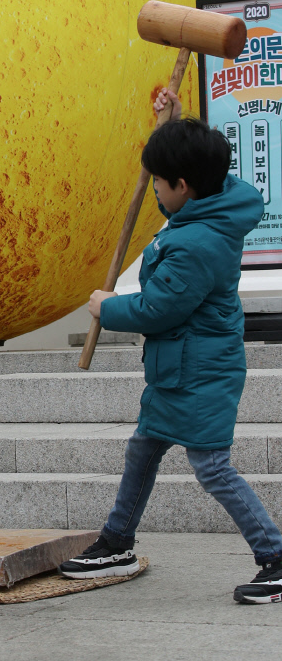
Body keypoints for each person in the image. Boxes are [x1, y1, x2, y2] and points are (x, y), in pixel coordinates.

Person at [60, 90, 282, 605]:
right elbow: (206, 168)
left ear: (183, 187)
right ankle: (117, 541)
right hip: (176, 370)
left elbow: (159, 309)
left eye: (161, 182)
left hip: (201, 373)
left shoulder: (198, 243)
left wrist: (105, 307)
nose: (155, 190)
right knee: (143, 449)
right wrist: (172, 124)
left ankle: (274, 557)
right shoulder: (212, 201)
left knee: (212, 468)